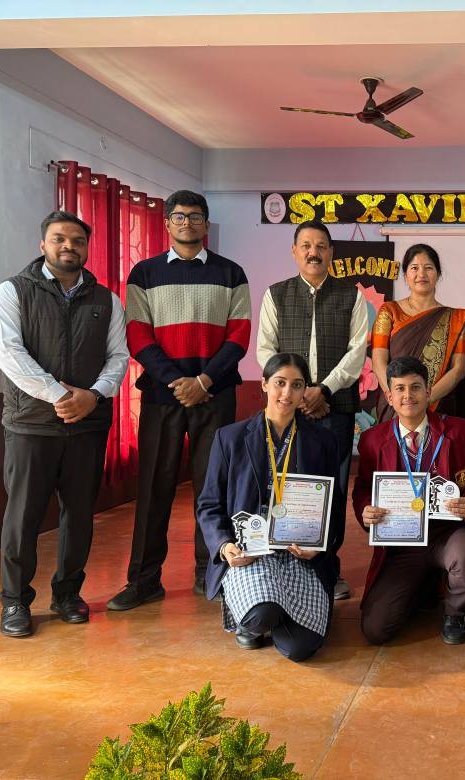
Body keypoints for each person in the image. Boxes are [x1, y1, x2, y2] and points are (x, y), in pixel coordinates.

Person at [0, 210, 129, 637]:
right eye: (59, 239)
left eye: (77, 240)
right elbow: (9, 353)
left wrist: (94, 395)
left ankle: (67, 594)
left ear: (87, 248)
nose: (69, 246)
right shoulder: (13, 291)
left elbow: (118, 356)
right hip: (31, 425)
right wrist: (61, 396)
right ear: (43, 245)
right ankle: (15, 601)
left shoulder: (106, 300)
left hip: (88, 425)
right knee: (23, 518)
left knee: (80, 517)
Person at [108, 190, 251, 611]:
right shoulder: (144, 273)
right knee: (154, 487)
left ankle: (212, 573)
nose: (187, 222)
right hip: (162, 396)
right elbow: (138, 335)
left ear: (206, 223)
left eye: (195, 216)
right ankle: (144, 580)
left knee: (214, 487)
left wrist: (204, 380)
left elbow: (239, 334)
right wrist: (177, 381)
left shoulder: (231, 272)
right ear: (167, 223)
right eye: (179, 216)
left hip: (216, 394)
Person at [196, 353, 344, 661]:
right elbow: (209, 504)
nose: (287, 393)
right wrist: (224, 546)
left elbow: (334, 505)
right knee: (260, 615)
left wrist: (319, 547)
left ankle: (278, 611)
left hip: (300, 555)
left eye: (297, 385)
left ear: (305, 391)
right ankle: (258, 617)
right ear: (264, 384)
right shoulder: (230, 438)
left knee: (300, 649)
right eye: (280, 383)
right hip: (251, 554)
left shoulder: (323, 441)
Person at [256, 220, 368, 601]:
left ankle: (328, 570)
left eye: (321, 246)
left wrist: (324, 389)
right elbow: (265, 350)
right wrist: (297, 391)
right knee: (285, 485)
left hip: (335, 409)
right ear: (294, 251)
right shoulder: (277, 294)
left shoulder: (351, 296)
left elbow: (357, 351)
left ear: (331, 252)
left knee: (332, 488)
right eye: (306, 245)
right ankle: (282, 566)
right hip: (287, 408)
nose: (313, 252)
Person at [353, 356, 465, 645]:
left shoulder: (461, 432)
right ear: (389, 397)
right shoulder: (373, 440)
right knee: (376, 630)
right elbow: (363, 487)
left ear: (429, 392)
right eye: (400, 389)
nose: (408, 395)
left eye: (415, 387)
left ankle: (454, 613)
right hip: (402, 540)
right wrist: (365, 509)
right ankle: (423, 587)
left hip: (449, 532)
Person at [372, 243, 465, 422]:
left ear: (438, 274)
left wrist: (423, 400)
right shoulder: (389, 311)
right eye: (414, 268)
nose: (421, 274)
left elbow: (458, 370)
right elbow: (378, 360)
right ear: (405, 275)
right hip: (395, 407)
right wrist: (396, 397)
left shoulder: (455, 319)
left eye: (428, 268)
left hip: (438, 406)